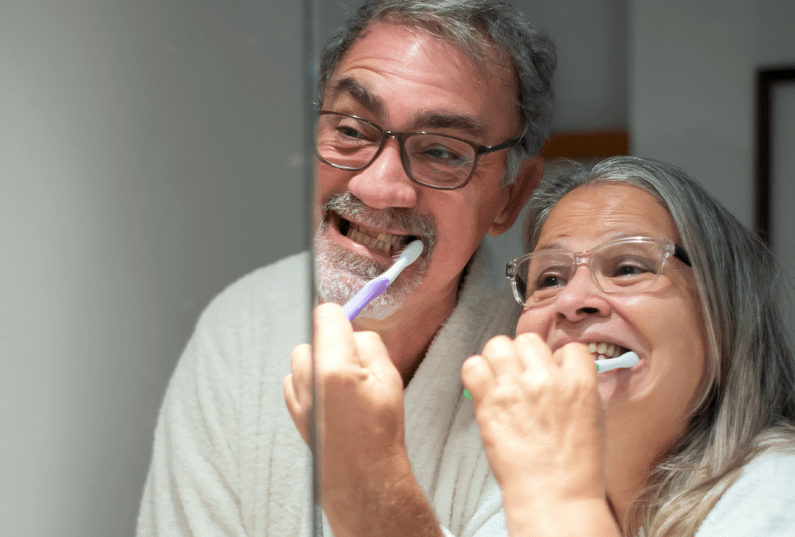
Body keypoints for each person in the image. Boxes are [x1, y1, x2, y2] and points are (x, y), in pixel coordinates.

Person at [137, 1, 555, 536]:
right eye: (353, 131)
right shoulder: (242, 324)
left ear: (510, 197)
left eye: (443, 153)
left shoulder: (541, 373)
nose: (377, 187)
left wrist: (366, 479)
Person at [461, 156, 795, 536]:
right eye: (548, 277)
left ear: (721, 318)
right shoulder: (505, 515)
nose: (572, 301)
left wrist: (557, 504)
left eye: (629, 268)